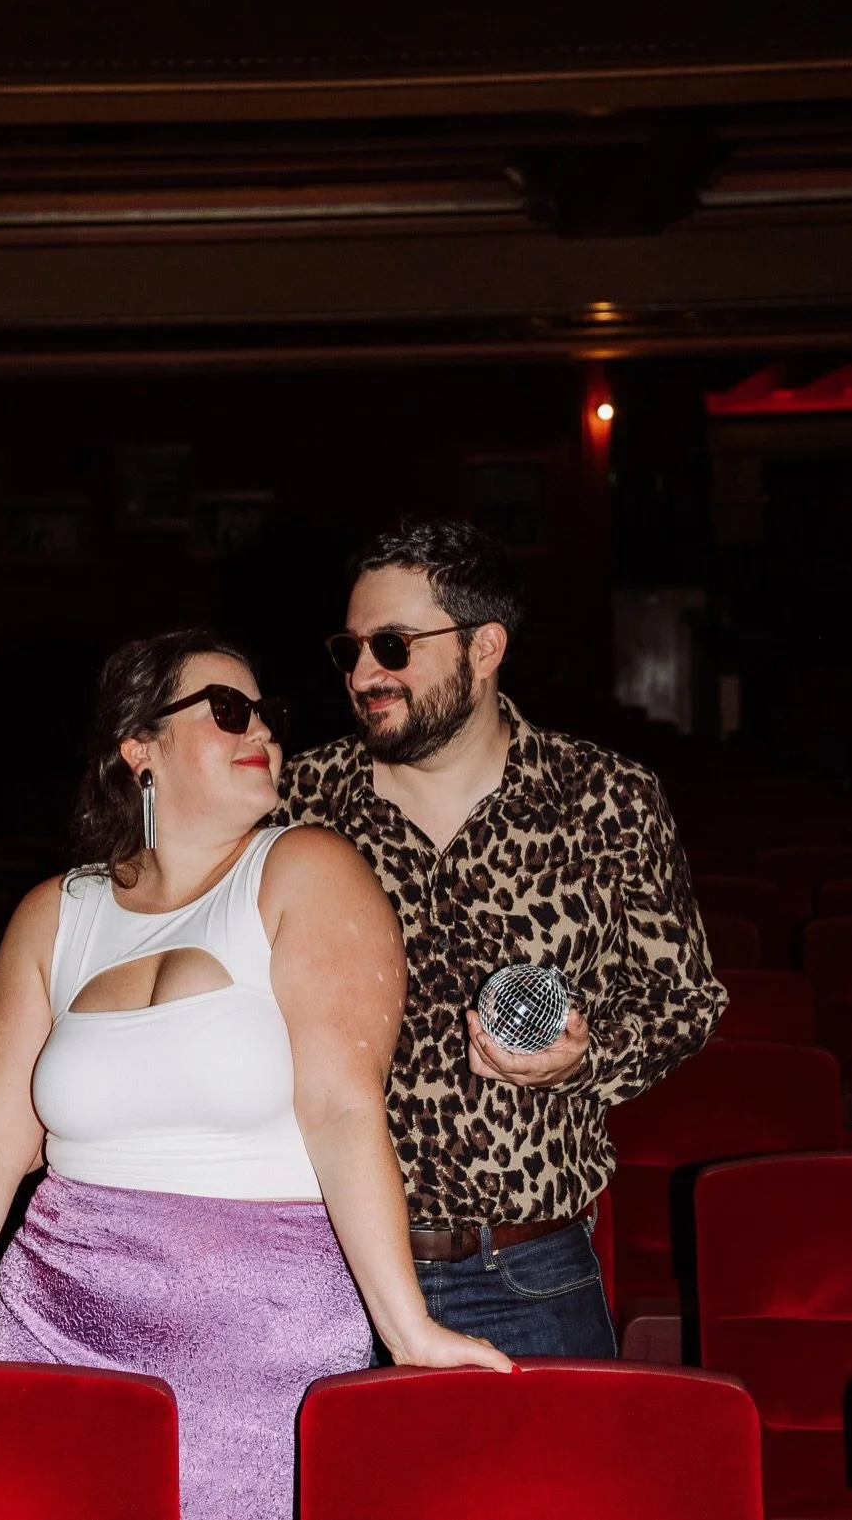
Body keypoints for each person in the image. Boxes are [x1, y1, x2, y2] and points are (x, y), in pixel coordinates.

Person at [0, 627, 511, 1520]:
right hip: (55, 1312)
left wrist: (406, 1328)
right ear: (141, 748)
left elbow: (341, 1109)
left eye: (267, 715)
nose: (263, 733)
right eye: (228, 711)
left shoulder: (305, 868)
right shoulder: (57, 911)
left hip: (260, 1333)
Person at [274, 516, 728, 1359]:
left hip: (530, 1267)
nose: (363, 673)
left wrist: (584, 1058)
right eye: (350, 649)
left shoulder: (607, 799)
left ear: (484, 647)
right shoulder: (296, 801)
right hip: (324, 1265)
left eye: (393, 645)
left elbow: (684, 1001)